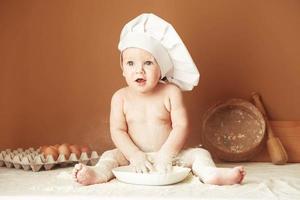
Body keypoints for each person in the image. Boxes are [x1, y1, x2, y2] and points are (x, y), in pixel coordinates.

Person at [72, 13, 246, 186]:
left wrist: (167, 154)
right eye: (130, 63)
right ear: (123, 68)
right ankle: (97, 174)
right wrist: (134, 155)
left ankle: (210, 174)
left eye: (148, 63)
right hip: (133, 156)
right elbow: (118, 130)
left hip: (170, 155)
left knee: (200, 154)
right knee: (109, 156)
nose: (139, 70)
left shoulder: (171, 92)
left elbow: (181, 126)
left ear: (161, 67)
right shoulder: (120, 97)